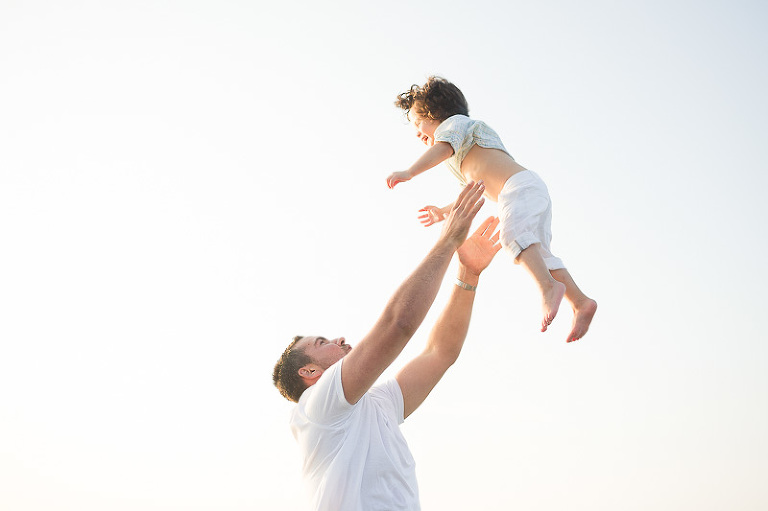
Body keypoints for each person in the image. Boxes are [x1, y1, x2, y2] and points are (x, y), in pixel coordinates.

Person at [273, 182, 500, 511]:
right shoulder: (317, 407)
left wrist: (468, 275)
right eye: (321, 343)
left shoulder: (377, 404)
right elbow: (398, 325)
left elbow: (441, 353)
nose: (338, 339)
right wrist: (448, 240)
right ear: (309, 372)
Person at [386, 76, 597, 343]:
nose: (418, 133)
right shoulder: (463, 153)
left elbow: (441, 148)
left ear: (436, 113)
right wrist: (443, 211)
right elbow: (474, 189)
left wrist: (410, 172)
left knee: (512, 237)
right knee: (538, 254)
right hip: (525, 190)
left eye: (418, 123)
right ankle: (580, 302)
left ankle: (547, 287)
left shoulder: (456, 126)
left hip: (519, 188)